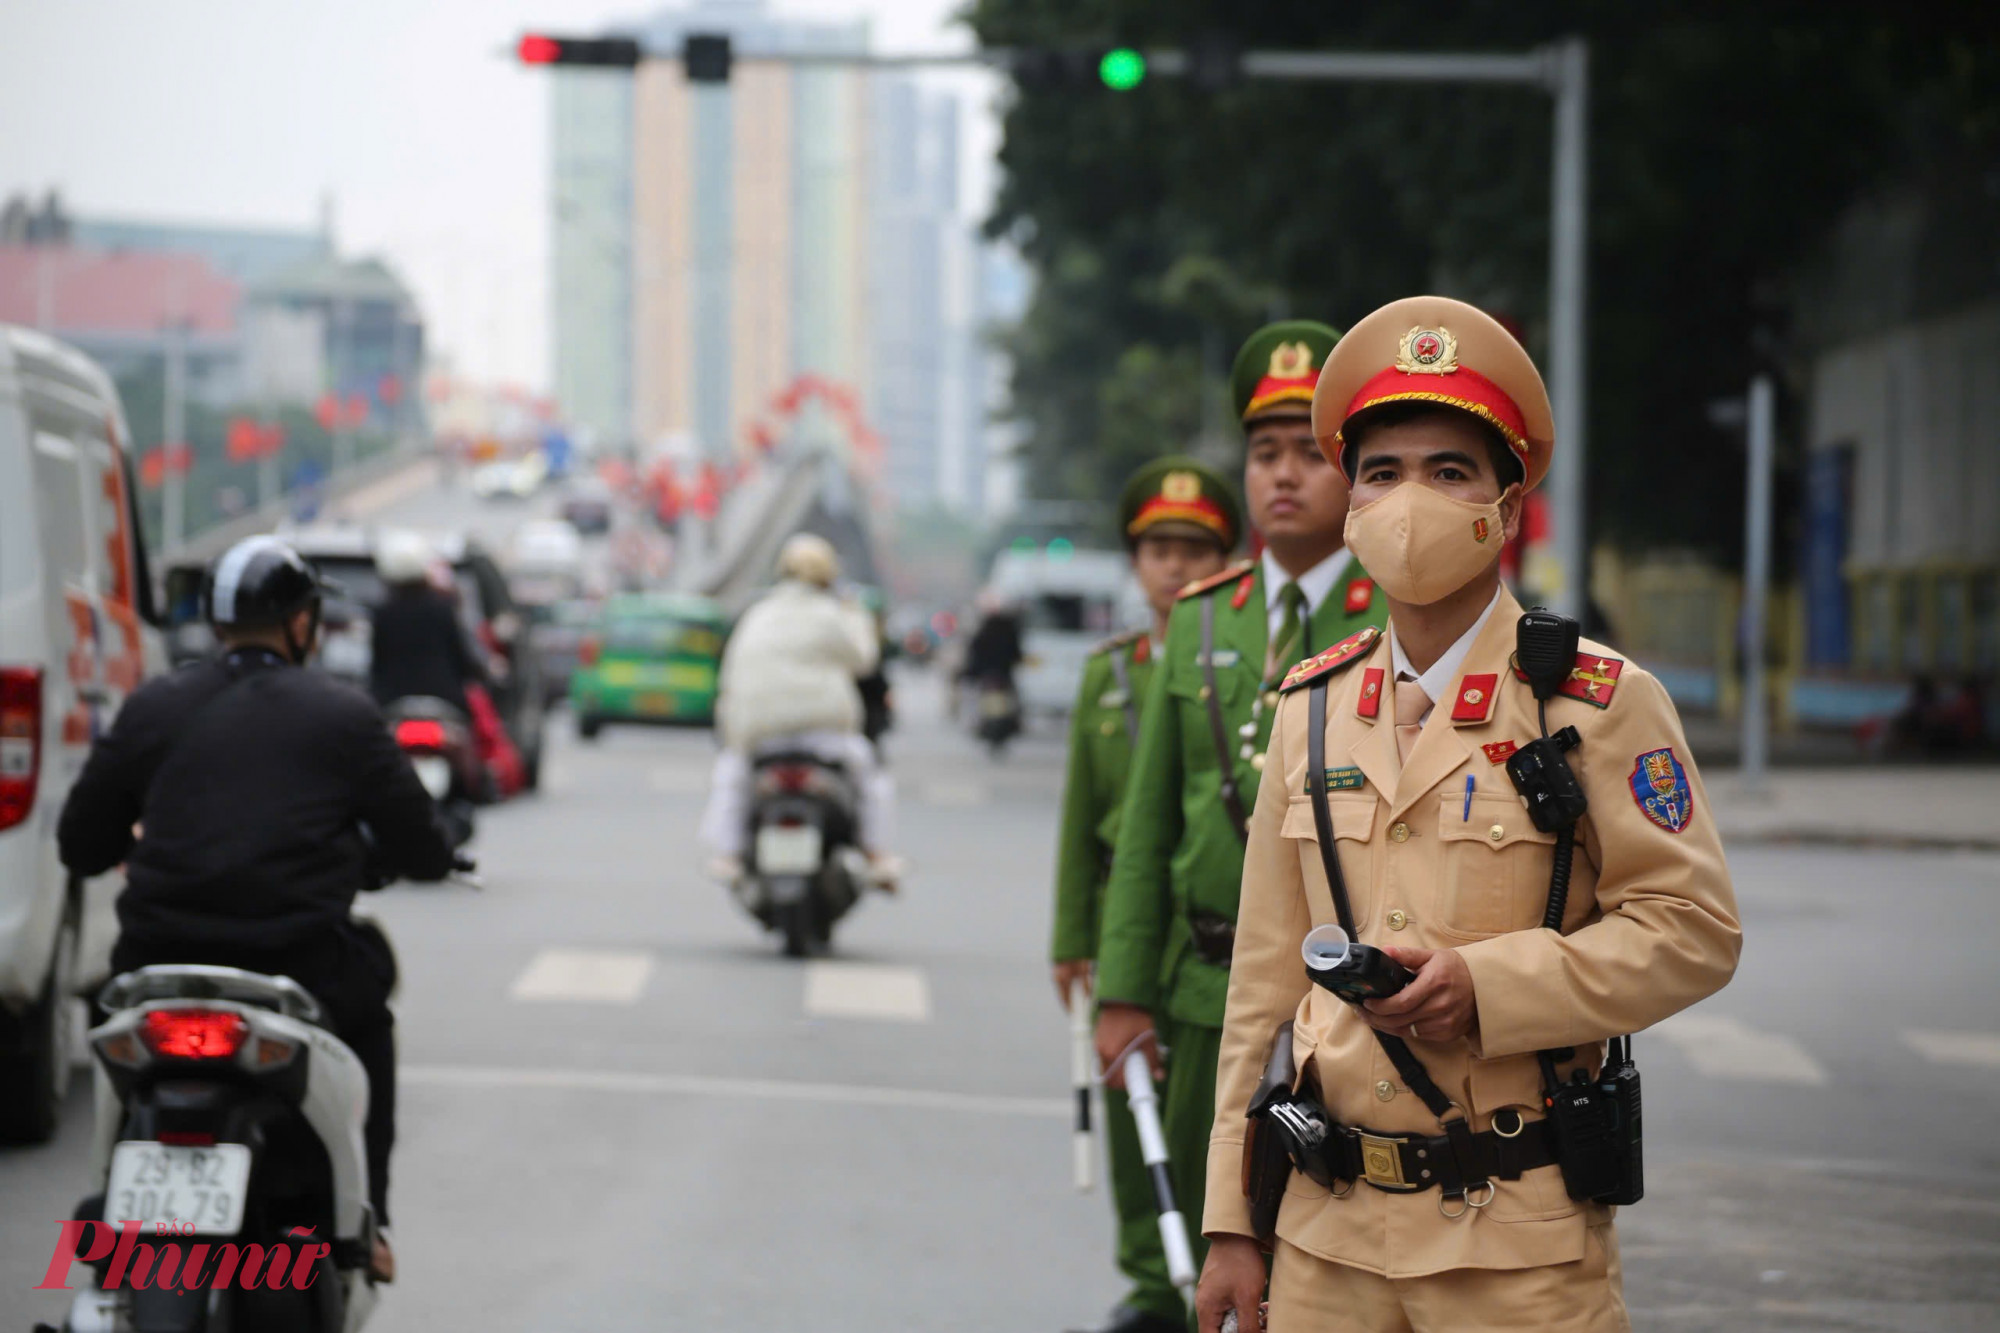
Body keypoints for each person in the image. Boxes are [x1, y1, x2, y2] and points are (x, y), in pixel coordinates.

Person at [1196, 296, 1744, 1333]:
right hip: (1327, 1241)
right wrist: (1234, 1217)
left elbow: (1692, 930)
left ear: (1507, 503)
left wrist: (1488, 986)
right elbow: (1261, 982)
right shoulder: (1309, 710)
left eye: (1449, 471)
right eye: (1381, 471)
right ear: (1349, 504)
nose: (1410, 502)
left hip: (1516, 1250)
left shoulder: (1594, 702)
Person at [57, 535, 458, 1284]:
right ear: (300, 624)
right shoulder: (343, 715)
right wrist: (434, 855)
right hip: (296, 967)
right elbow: (421, 843)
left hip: (155, 968)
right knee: (371, 1015)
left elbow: (80, 843)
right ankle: (365, 1227)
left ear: (215, 626)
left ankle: (110, 1201)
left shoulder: (153, 706)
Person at [1093, 321, 1388, 1315]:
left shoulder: (1390, 614)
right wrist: (1122, 992)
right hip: (1200, 985)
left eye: (1310, 451)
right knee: (1199, 1259)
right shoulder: (1199, 618)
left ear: (1349, 471)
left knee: (1311, 1253)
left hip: (1344, 1004)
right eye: (1265, 453)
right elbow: (1145, 834)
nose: (1284, 475)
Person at [1051, 457, 1243, 1333]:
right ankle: (1146, 1278)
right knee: (1133, 1107)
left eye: (1195, 548)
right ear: (1134, 561)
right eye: (1159, 548)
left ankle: (1204, 1275)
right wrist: (1072, 937)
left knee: (1202, 1111)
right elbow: (1083, 823)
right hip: (1129, 929)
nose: (1175, 566)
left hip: (1202, 928)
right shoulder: (1111, 672)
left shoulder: (1250, 663)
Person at [698, 533, 900, 884]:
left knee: (731, 778)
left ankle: (727, 856)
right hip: (824, 735)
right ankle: (876, 854)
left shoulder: (757, 615)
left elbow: (729, 678)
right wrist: (855, 614)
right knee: (870, 780)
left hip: (759, 735)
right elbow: (864, 659)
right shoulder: (832, 615)